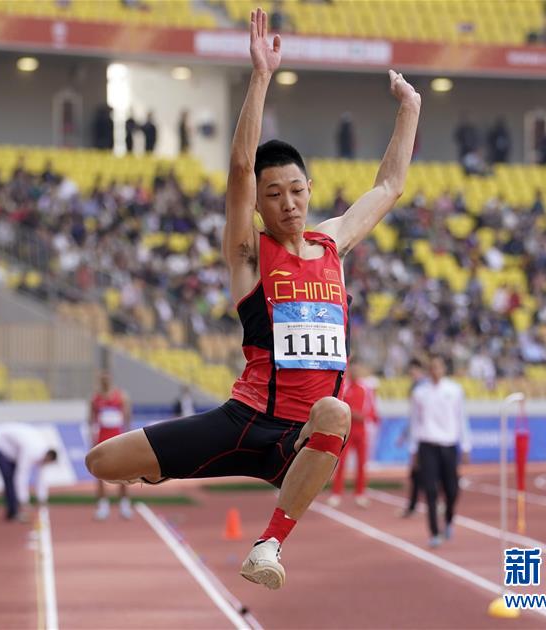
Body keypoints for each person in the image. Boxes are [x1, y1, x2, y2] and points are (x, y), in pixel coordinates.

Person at [85, 8, 420, 590]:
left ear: (310, 190)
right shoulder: (249, 254)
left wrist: (410, 108)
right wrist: (261, 76)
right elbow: (241, 167)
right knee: (102, 462)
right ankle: (172, 469)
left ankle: (269, 544)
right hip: (242, 421)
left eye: (296, 190)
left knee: (337, 412)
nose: (288, 202)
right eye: (274, 194)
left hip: (297, 439)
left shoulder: (333, 244)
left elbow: (389, 186)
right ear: (261, 205)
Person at [409, 355, 471, 547]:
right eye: (432, 367)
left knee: (452, 490)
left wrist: (466, 445)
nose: (435, 371)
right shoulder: (420, 393)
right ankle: (434, 532)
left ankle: (449, 519)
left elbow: (461, 418)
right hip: (427, 445)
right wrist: (413, 449)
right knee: (430, 490)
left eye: (438, 367)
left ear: (444, 369)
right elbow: (414, 422)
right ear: (429, 370)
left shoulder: (455, 390)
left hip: (449, 444)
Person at [328, 359, 379, 507]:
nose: (355, 372)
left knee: (361, 464)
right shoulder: (344, 387)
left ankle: (360, 494)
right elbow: (338, 407)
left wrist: (364, 416)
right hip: (346, 430)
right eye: (353, 369)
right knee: (341, 463)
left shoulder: (366, 388)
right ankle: (336, 493)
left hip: (361, 431)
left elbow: (371, 409)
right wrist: (351, 414)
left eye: (358, 369)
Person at [0, 422, 58, 522]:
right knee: (9, 476)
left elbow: (41, 478)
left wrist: (42, 499)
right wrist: (24, 501)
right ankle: (13, 512)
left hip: (12, 446)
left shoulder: (42, 451)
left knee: (12, 477)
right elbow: (21, 475)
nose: (45, 465)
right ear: (48, 457)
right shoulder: (31, 451)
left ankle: (13, 508)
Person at [89, 371, 133, 520]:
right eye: (103, 380)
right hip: (102, 437)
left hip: (118, 437)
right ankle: (103, 505)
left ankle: (124, 504)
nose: (105, 382)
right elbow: (91, 420)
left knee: (123, 472)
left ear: (111, 380)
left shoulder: (121, 396)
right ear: (100, 381)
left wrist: (129, 437)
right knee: (100, 473)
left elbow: (127, 418)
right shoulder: (95, 398)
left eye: (107, 379)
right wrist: (92, 438)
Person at [399, 357, 425, 517]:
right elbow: (413, 416)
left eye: (413, 370)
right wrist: (405, 434)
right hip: (418, 434)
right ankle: (413, 505)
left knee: (423, 471)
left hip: (426, 435)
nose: (411, 373)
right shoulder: (415, 386)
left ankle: (414, 506)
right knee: (417, 471)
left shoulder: (424, 387)